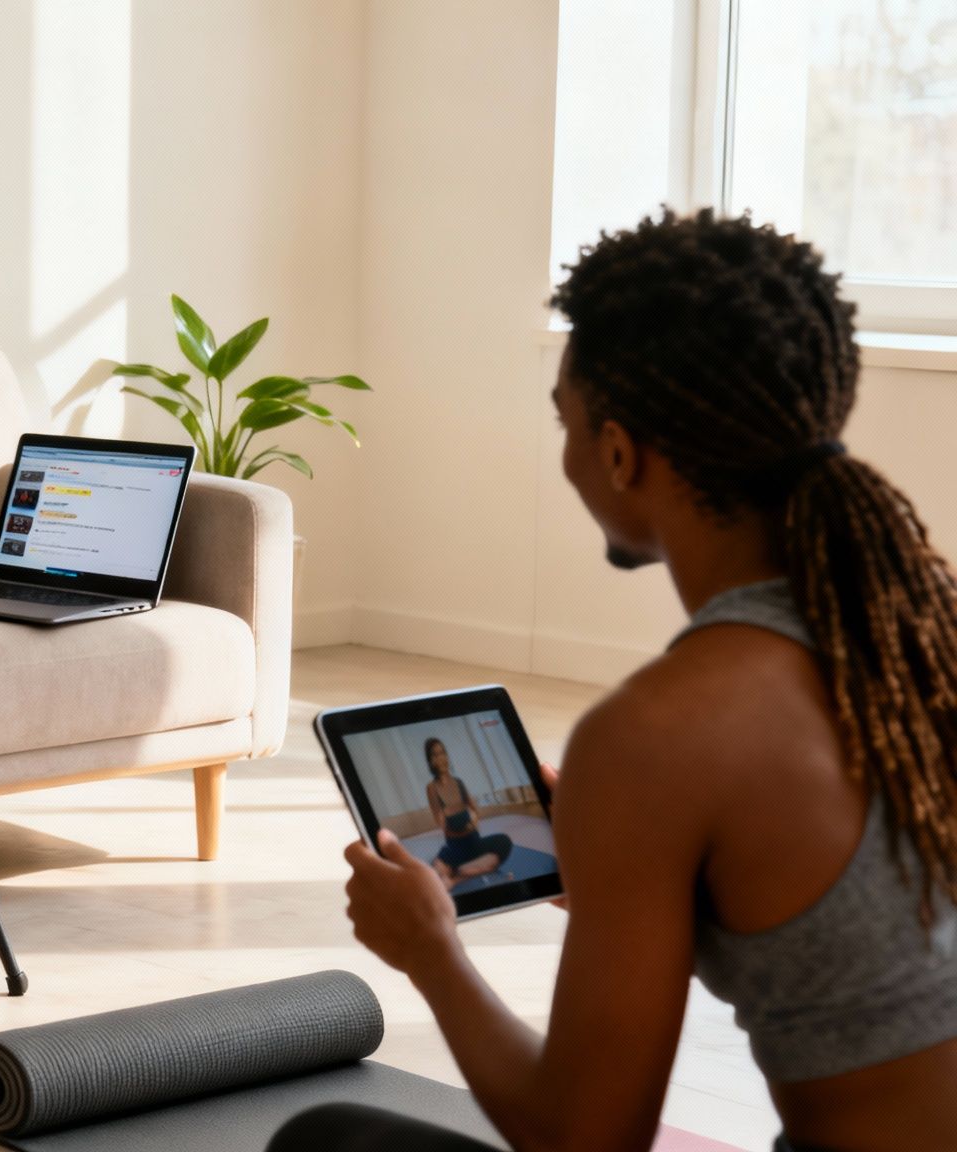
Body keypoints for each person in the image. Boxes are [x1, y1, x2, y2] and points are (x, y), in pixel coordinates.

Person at [276, 210, 957, 1151]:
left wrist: (430, 951)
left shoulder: (659, 735)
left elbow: (585, 1140)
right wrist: (619, 879)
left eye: (566, 421)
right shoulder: (923, 637)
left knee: (330, 1140)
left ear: (620, 451)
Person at [421, 738, 513, 886]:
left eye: (443, 753)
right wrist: (456, 821)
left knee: (504, 842)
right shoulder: (432, 788)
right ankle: (468, 870)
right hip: (455, 850)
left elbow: (475, 810)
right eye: (435, 755)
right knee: (433, 875)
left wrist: (473, 821)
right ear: (431, 761)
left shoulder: (459, 782)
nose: (441, 758)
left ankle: (456, 877)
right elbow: (442, 825)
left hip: (475, 844)